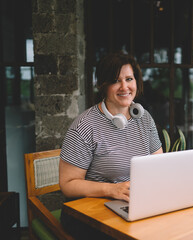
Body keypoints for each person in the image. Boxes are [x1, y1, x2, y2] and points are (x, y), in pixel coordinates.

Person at [59, 52, 163, 239]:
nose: (125, 87)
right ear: (103, 85)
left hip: (133, 203)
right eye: (116, 80)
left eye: (129, 79)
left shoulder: (144, 118)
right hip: (91, 213)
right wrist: (111, 190)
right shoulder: (84, 126)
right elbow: (67, 185)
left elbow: (158, 163)